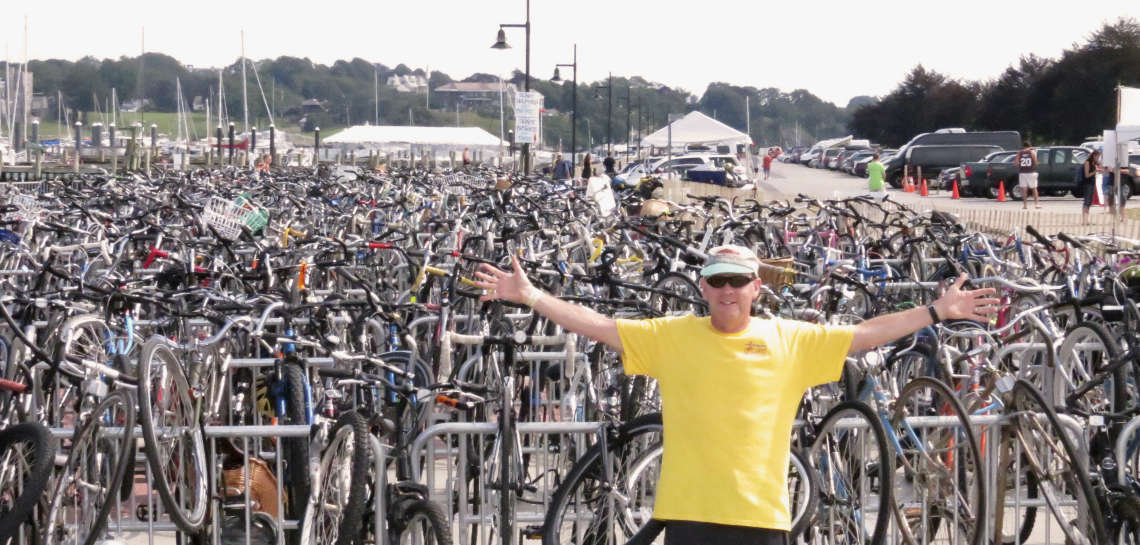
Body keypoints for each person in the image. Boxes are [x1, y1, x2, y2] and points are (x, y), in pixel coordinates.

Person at [473, 246, 996, 545]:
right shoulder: (672, 336)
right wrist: (532, 296)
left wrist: (935, 312)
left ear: (756, 288)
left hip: (762, 516)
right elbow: (602, 326)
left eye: (739, 281)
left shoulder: (789, 339)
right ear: (702, 287)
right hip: (688, 515)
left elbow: (862, 334)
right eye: (718, 280)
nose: (728, 290)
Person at [1015, 141, 1040, 210]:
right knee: (1034, 188)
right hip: (1031, 172)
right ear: (1030, 146)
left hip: (1022, 173)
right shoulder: (1032, 152)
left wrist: (1021, 165)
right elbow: (1036, 162)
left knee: (1024, 189)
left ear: (1023, 146)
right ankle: (1036, 204)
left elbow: (1016, 163)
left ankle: (1025, 205)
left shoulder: (1020, 153)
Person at [1080, 150, 1101, 225]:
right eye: (1097, 157)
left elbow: (1101, 166)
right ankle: (1084, 221)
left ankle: (1087, 220)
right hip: (1087, 184)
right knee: (1086, 202)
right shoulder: (1087, 163)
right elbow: (1086, 175)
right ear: (1094, 156)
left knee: (1089, 202)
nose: (1098, 158)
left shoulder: (1094, 163)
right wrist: (1095, 172)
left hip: (1092, 184)